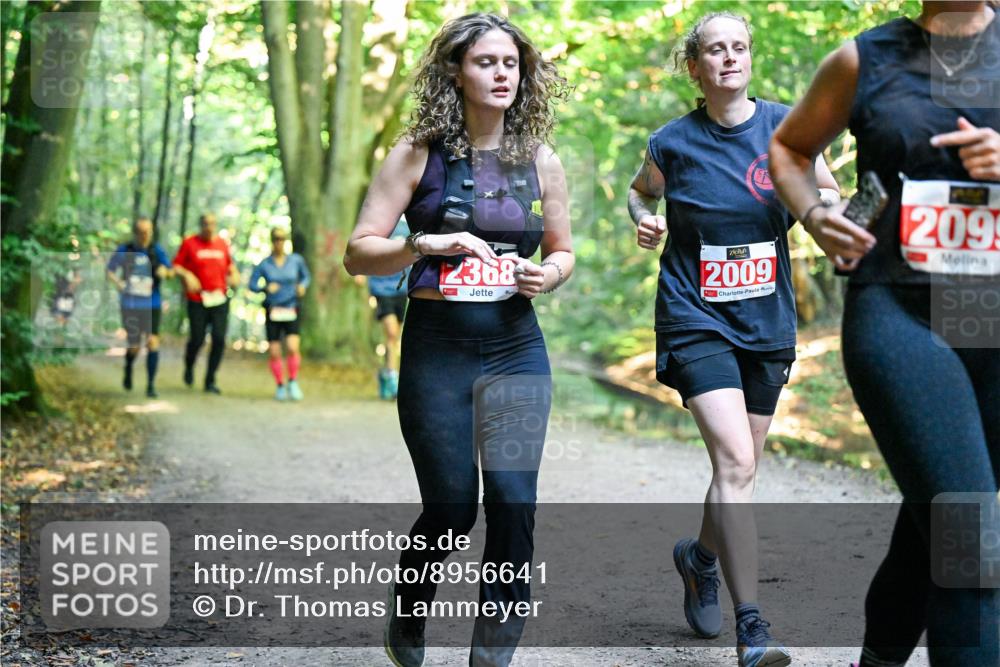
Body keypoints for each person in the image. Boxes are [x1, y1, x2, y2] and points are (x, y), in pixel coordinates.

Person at [769, 1, 999, 665]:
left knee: (937, 523)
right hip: (900, 314)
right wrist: (815, 213)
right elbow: (789, 148)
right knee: (968, 538)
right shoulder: (862, 59)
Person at [344, 12, 573, 667]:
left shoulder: (541, 159)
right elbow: (358, 253)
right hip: (437, 349)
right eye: (485, 62)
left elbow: (563, 251)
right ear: (455, 70)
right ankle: (410, 608)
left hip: (515, 347)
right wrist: (424, 244)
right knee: (451, 507)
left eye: (511, 63)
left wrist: (547, 275)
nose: (502, 74)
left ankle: (495, 641)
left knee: (513, 499)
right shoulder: (416, 153)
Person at [627, 11, 840, 667]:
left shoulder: (787, 127)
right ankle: (754, 628)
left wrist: (832, 214)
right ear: (695, 67)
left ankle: (700, 559)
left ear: (750, 57)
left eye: (739, 47)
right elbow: (641, 194)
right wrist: (645, 219)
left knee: (737, 469)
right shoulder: (671, 142)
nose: (729, 58)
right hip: (694, 316)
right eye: (715, 50)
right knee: (737, 462)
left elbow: (828, 193)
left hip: (765, 321)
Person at [172, 213, 241, 394]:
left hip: (219, 299)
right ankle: (189, 365)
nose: (209, 227)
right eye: (206, 224)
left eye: (212, 224)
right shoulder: (190, 243)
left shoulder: (222, 244)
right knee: (197, 339)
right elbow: (176, 266)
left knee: (219, 339)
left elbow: (230, 266)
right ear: (200, 225)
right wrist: (187, 274)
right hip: (198, 300)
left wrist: (235, 275)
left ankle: (210, 380)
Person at [105, 216, 173, 398]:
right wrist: (118, 283)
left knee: (152, 342)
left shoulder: (157, 250)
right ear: (135, 233)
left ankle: (151, 385)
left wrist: (165, 272)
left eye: (148, 232)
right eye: (141, 232)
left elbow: (170, 271)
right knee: (134, 346)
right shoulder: (125, 250)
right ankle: (129, 366)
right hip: (131, 304)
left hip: (153, 303)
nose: (145, 235)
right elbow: (109, 270)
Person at [249, 227, 311, 401]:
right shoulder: (265, 264)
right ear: (272, 241)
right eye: (276, 239)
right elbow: (252, 285)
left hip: (291, 307)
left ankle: (293, 380)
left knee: (292, 347)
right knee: (275, 351)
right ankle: (280, 385)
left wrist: (302, 286)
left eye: (282, 239)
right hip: (273, 310)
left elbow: (306, 277)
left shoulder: (296, 260)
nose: (279, 242)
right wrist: (265, 288)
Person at [367, 217, 410, 400]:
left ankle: (386, 373)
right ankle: (392, 378)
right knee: (391, 333)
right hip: (381, 288)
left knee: (395, 338)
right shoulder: (379, 225)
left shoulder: (408, 226)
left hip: (402, 288)